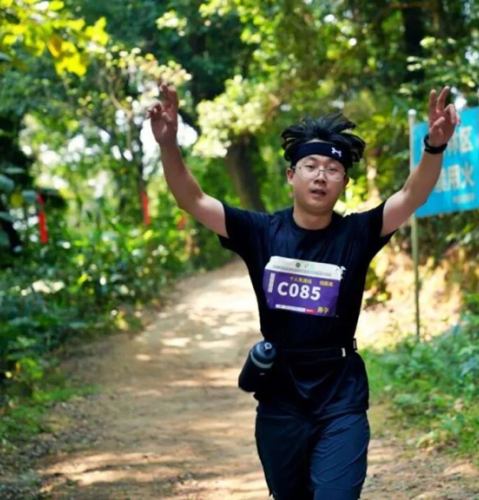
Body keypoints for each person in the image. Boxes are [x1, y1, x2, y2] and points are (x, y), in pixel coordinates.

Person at [147, 83, 459, 499]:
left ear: (344, 182)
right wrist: (168, 144)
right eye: (310, 166)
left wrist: (434, 147)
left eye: (332, 169)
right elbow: (192, 199)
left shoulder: (358, 234)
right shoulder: (260, 232)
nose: (321, 176)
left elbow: (411, 195)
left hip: (341, 397)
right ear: (292, 175)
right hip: (280, 397)